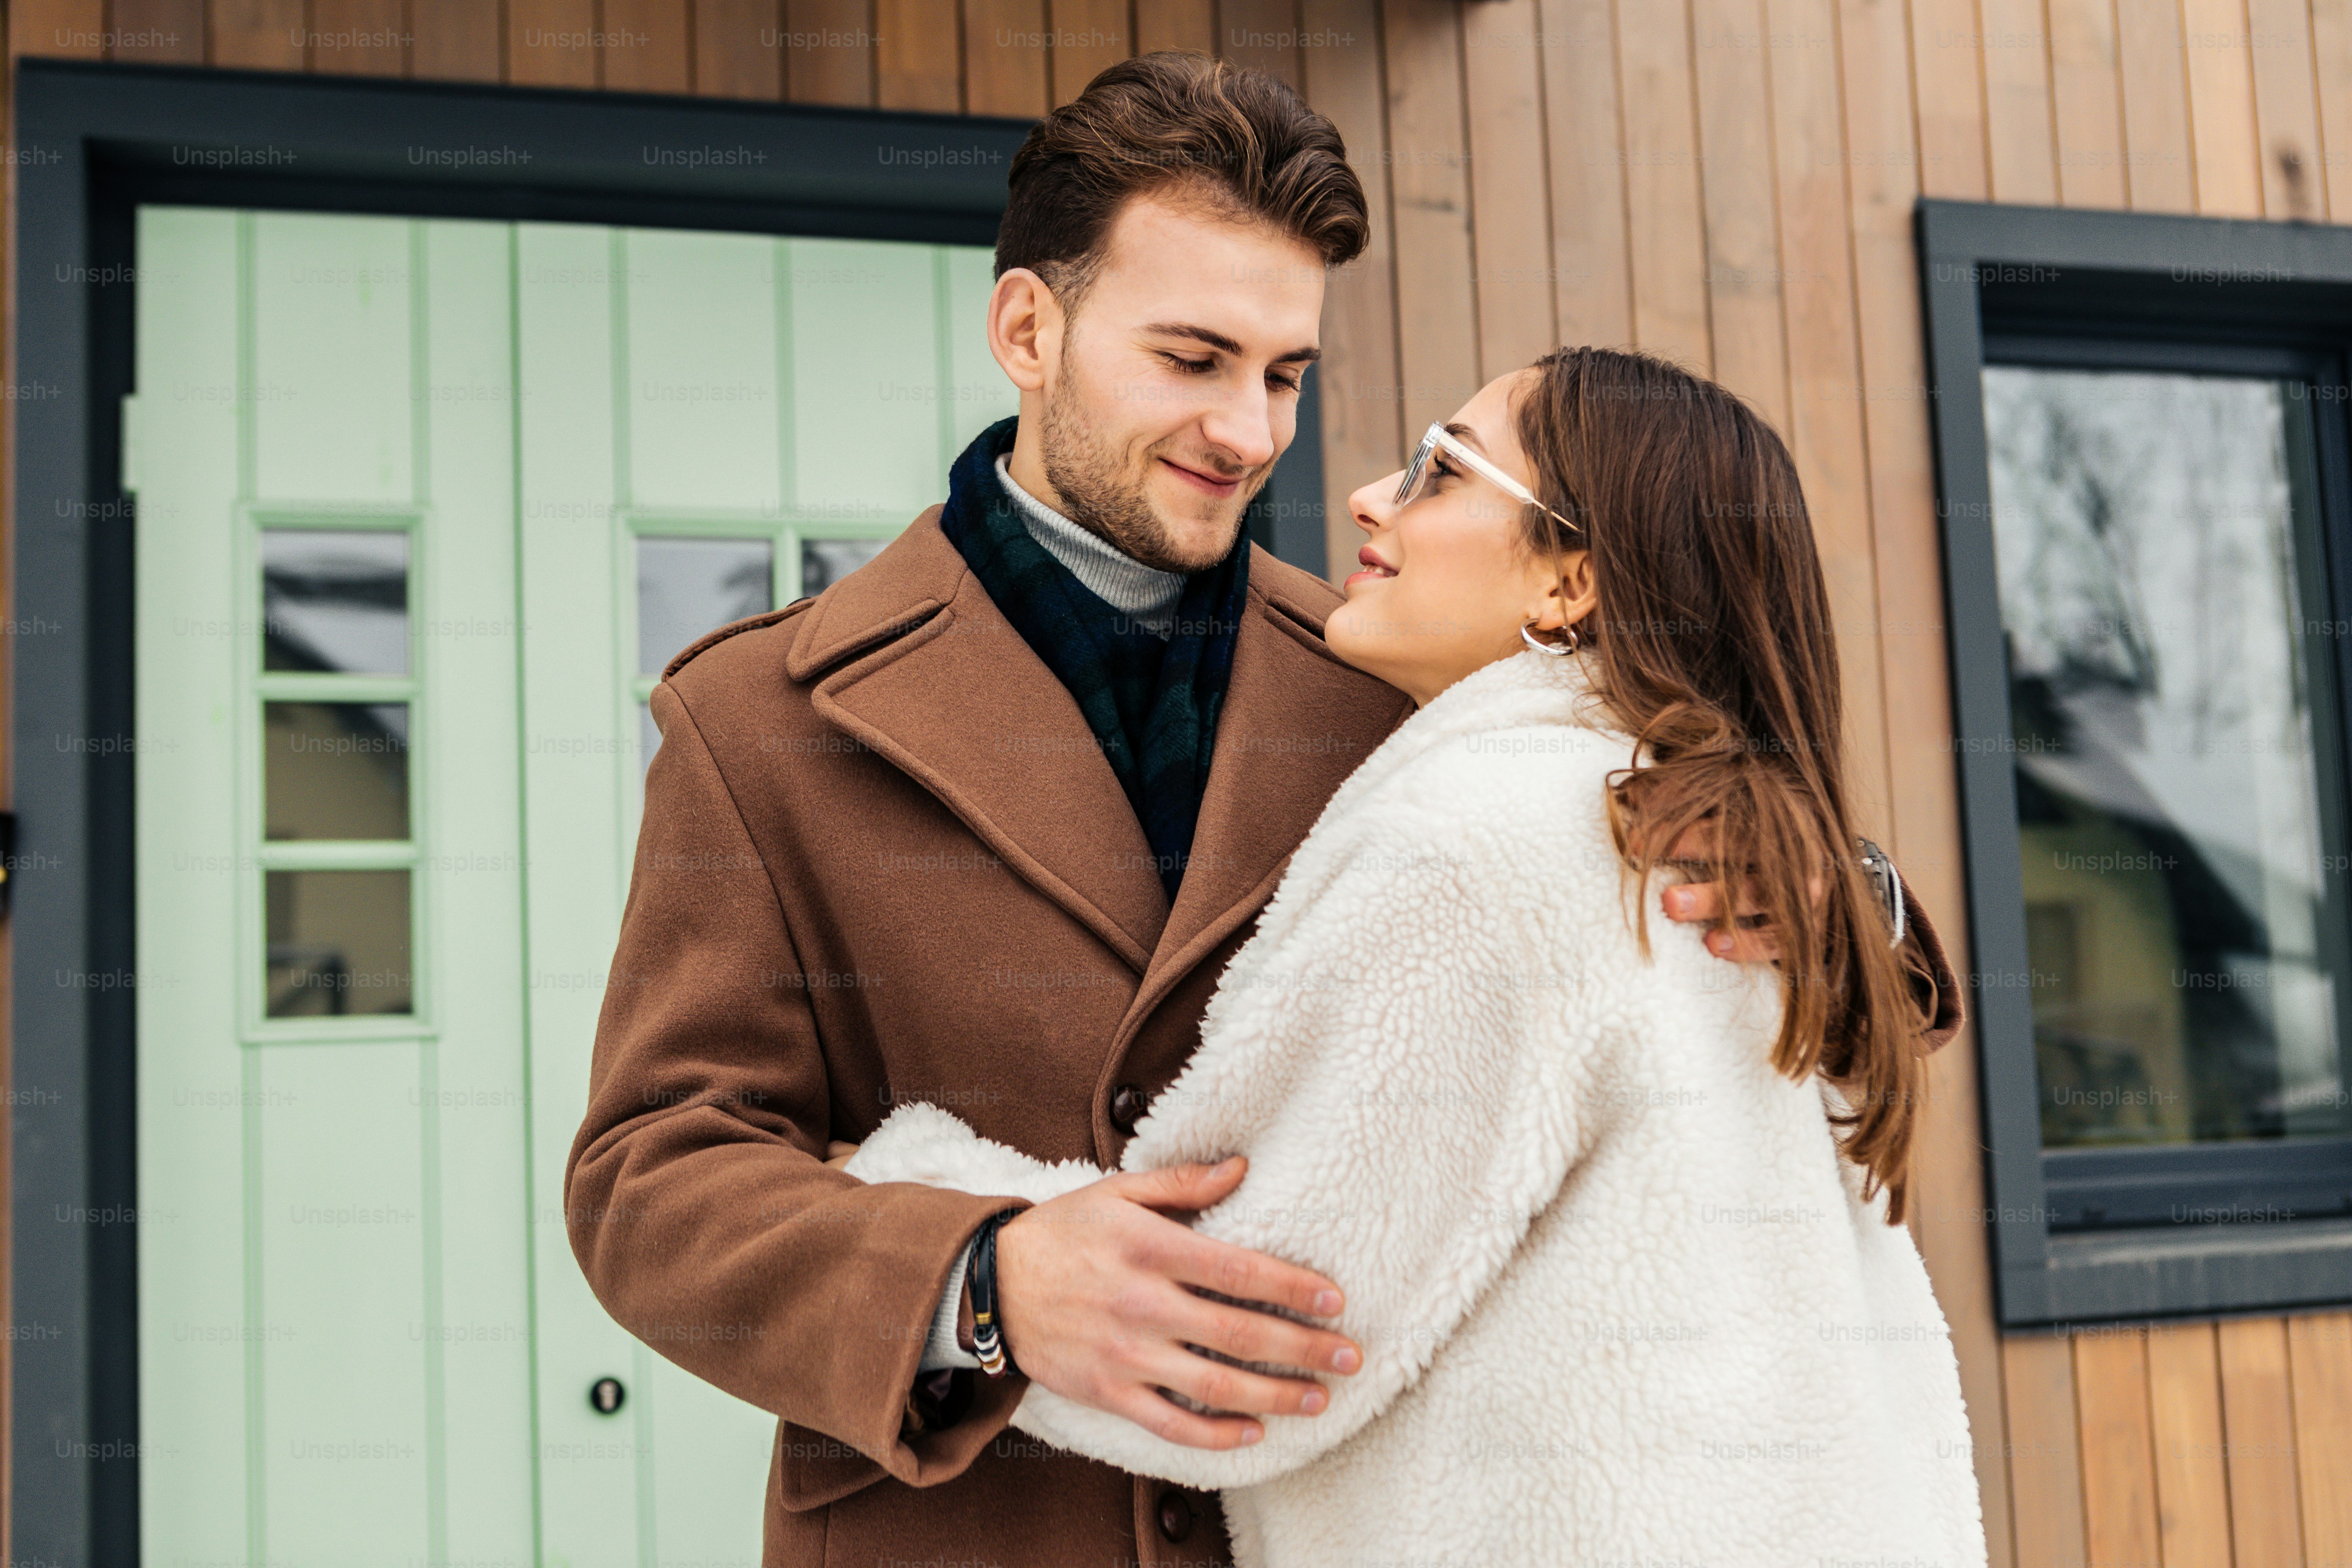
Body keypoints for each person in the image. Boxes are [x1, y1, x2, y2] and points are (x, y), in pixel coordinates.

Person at [565, 52, 1963, 1568]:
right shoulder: (762, 717)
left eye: (1285, 374)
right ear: (1028, 329)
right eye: (1193, 358)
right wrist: (980, 1281)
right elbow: (654, 1177)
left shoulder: (1407, 682)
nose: (1252, 432)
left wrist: (1845, 890)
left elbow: (1667, 908)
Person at [840, 346, 1988, 1566]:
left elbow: (1247, 1338)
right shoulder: (1726, 842)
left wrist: (900, 1188)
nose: (1369, 496)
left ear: (1570, 581)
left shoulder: (1485, 842)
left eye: (1442, 470)